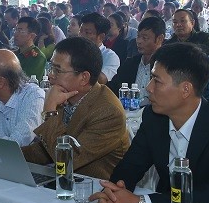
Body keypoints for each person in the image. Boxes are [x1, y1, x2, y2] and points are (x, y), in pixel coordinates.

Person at [91, 42, 209, 203]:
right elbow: (130, 167)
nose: (148, 87)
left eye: (157, 81)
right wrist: (113, 195)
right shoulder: (154, 118)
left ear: (185, 89)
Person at [22, 37, 129, 180]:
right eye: (51, 67)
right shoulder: (66, 97)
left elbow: (67, 160)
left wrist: (50, 110)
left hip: (94, 187)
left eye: (57, 70)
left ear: (84, 78)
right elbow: (46, 150)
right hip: (65, 180)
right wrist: (9, 155)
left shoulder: (108, 111)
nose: (50, 75)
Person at [109, 16, 165, 106]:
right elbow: (114, 87)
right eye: (138, 36)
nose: (139, 41)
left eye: (145, 38)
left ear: (159, 39)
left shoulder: (166, 67)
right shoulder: (130, 63)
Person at [78, 13, 120, 84]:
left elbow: (101, 80)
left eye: (87, 32)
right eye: (80, 30)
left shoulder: (110, 56)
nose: (81, 35)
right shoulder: (73, 51)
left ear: (101, 37)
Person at [12, 16, 45, 82]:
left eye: (20, 31)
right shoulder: (14, 54)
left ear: (32, 36)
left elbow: (27, 82)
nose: (15, 34)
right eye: (15, 30)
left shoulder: (37, 57)